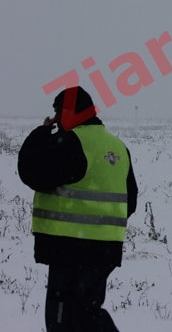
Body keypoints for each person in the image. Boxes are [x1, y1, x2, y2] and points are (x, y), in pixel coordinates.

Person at [18, 86, 138, 332]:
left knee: (62, 318)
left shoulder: (71, 143)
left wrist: (42, 133)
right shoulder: (117, 146)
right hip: (105, 250)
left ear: (69, 112)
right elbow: (131, 200)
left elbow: (31, 170)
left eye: (57, 111)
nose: (55, 117)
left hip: (69, 248)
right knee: (87, 313)